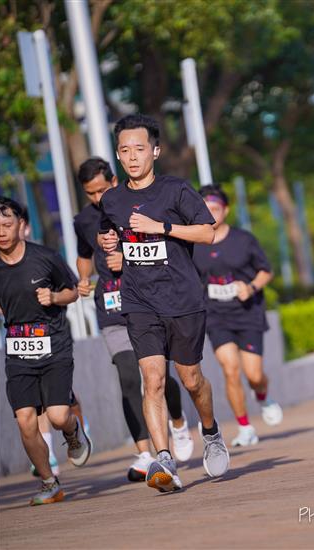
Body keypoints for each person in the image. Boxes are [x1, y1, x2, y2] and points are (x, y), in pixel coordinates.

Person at [98, 114, 229, 491]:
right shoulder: (112, 199)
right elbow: (110, 234)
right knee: (152, 379)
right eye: (125, 150)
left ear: (154, 151)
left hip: (182, 299)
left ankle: (211, 432)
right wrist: (110, 243)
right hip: (139, 301)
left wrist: (161, 227)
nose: (132, 156)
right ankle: (164, 459)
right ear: (118, 155)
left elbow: (207, 233)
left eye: (139, 149)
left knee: (191, 379)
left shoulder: (176, 190)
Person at [74, 157, 193, 481]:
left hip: (149, 300)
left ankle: (178, 421)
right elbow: (84, 255)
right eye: (90, 193)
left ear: (114, 182)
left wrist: (124, 257)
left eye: (101, 190)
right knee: (128, 376)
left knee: (157, 376)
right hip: (112, 306)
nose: (97, 198)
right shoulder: (83, 220)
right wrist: (83, 278)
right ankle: (144, 452)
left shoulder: (136, 206)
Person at [0, 196, 92, 505]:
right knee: (26, 420)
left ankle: (73, 432)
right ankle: (50, 482)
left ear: (21, 225)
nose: (1, 232)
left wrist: (54, 297)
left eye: (6, 225)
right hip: (18, 351)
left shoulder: (45, 258)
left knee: (58, 415)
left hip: (54, 346)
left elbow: (73, 291)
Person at [193, 185, 282, 447]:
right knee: (230, 369)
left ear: (226, 210)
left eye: (215, 208)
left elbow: (266, 271)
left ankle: (263, 395)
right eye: (205, 209)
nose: (211, 214)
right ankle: (244, 427)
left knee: (254, 375)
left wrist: (251, 287)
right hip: (216, 315)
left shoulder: (243, 239)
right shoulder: (194, 244)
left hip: (247, 312)